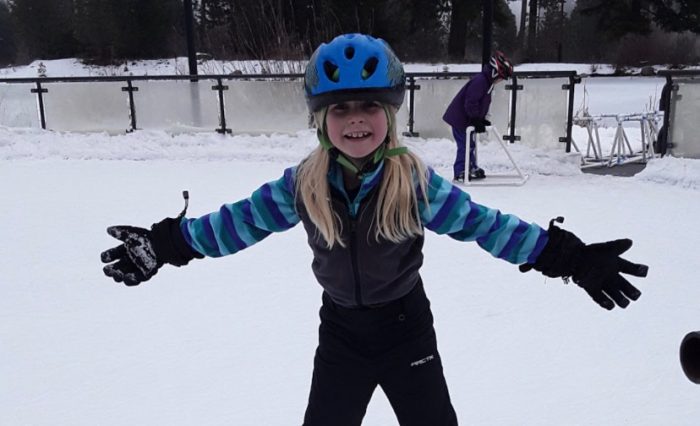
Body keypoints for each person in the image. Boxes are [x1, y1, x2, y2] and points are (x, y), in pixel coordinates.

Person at [101, 34, 649, 426]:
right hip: (339, 335)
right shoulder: (304, 185)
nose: (356, 119)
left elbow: (487, 227)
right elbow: (238, 222)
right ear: (321, 120)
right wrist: (170, 243)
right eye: (340, 109)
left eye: (369, 106)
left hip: (406, 329)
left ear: (390, 114)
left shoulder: (413, 184)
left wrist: (568, 256)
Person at [443, 51, 513, 182]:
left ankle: (471, 167)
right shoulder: (481, 81)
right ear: (495, 73)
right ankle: (460, 170)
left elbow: (482, 103)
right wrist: (475, 118)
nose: (500, 81)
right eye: (501, 78)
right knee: (465, 145)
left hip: (467, 119)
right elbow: (471, 101)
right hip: (460, 119)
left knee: (471, 144)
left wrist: (481, 119)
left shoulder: (487, 83)